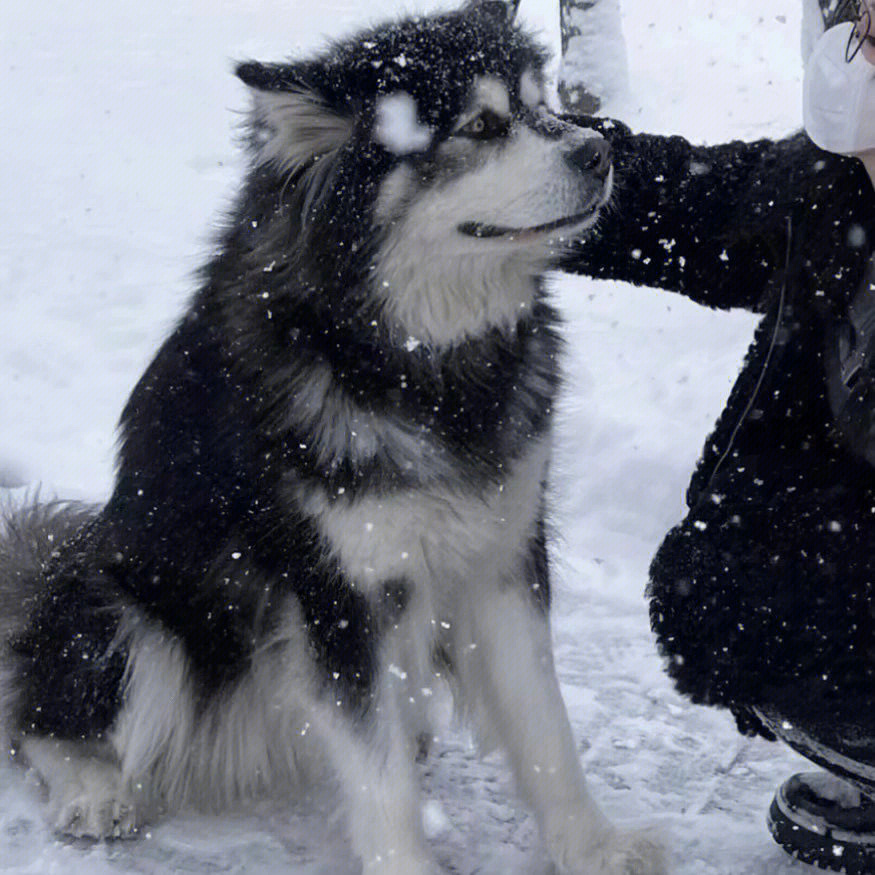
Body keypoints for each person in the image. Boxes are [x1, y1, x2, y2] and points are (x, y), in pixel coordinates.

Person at [563, 1, 875, 870]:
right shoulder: (832, 191)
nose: (856, 69)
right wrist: (538, 160)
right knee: (745, 586)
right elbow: (690, 201)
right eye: (859, 36)